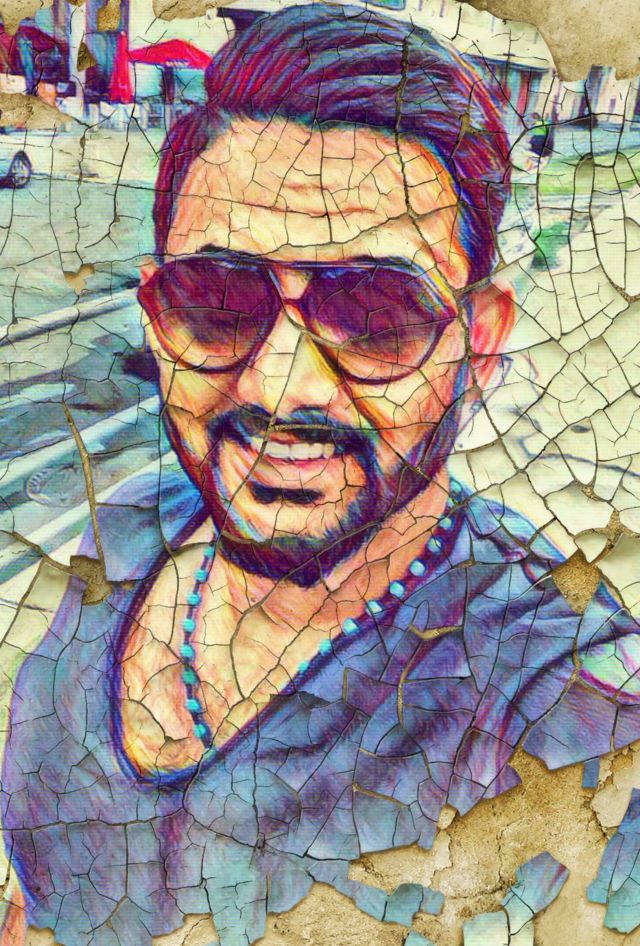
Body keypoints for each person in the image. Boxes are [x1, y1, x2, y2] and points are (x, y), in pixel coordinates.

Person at [2, 5, 640, 945]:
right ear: (155, 315)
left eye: (377, 313)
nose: (280, 386)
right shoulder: (125, 535)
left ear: (481, 343)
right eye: (218, 299)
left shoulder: (564, 702)